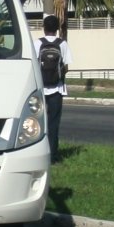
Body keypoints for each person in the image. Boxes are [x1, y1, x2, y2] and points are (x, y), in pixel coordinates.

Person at [33, 15, 72, 163]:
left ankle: (38, 154)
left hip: (41, 89)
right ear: (57, 28)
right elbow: (66, 66)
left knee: (38, 123)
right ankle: (53, 155)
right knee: (54, 123)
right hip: (57, 89)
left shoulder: (37, 43)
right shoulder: (62, 44)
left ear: (44, 27)